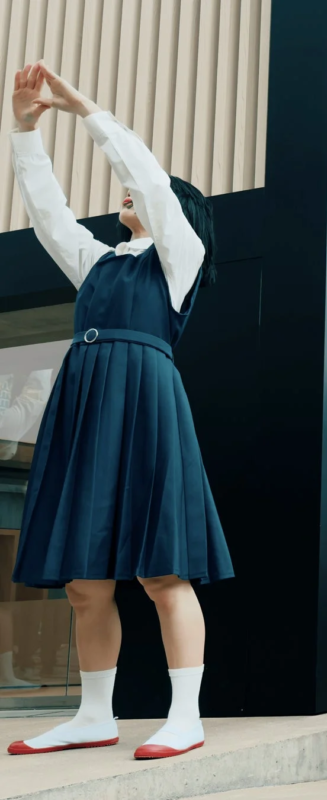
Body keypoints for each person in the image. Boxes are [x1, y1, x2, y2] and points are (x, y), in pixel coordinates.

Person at [6, 63, 231, 760]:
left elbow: (153, 184)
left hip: (145, 403)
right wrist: (24, 131)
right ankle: (93, 717)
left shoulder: (179, 257)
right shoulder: (99, 262)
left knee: (163, 571)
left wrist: (85, 110)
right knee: (83, 582)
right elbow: (48, 214)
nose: (126, 193)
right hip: (86, 407)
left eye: (139, 191)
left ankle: (185, 717)